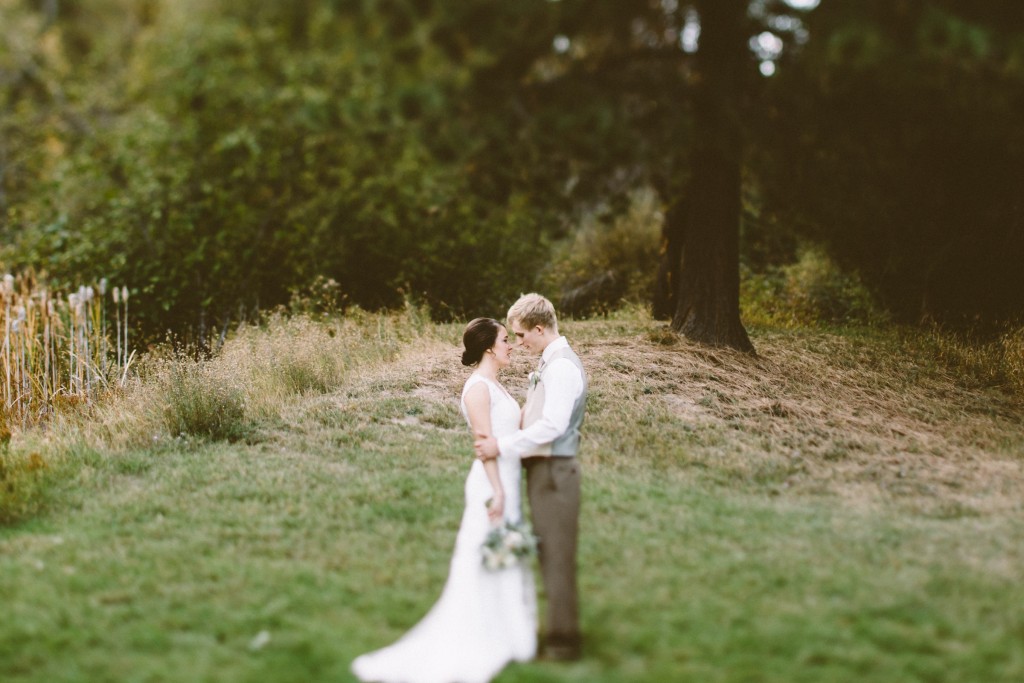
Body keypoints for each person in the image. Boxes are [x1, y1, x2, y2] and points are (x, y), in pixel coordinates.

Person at [351, 318, 537, 683]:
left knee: (503, 553)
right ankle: (481, 632)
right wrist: (497, 491)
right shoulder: (478, 389)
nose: (511, 345)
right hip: (491, 484)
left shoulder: (496, 386)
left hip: (508, 481)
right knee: (484, 555)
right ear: (488, 348)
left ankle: (510, 628)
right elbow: (484, 445)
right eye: (505, 340)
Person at [475, 293, 587, 662]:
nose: (519, 343)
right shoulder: (550, 363)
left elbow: (553, 426)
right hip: (544, 471)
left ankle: (562, 641)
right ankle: (553, 631)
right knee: (547, 554)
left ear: (540, 328)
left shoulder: (562, 367)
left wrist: (503, 445)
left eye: (522, 335)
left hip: (556, 472)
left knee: (556, 555)